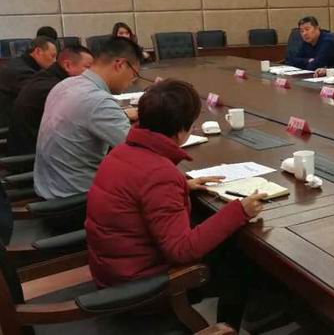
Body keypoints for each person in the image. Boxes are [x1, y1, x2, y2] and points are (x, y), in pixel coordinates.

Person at [85, 79, 266, 327]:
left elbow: (138, 191)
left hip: (113, 270)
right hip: (141, 291)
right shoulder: (160, 174)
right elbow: (181, 250)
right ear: (181, 130)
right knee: (238, 261)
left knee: (214, 231)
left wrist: (182, 185)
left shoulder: (121, 151)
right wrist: (240, 211)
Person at [34, 37, 141, 201]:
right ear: (120, 64)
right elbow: (140, 154)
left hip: (49, 188)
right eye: (134, 75)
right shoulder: (99, 101)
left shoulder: (65, 84)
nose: (132, 82)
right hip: (76, 199)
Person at [8, 45, 94, 155]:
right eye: (87, 67)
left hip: (39, 146)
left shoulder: (47, 77)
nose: (92, 74)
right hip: (35, 154)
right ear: (67, 65)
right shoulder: (55, 88)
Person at [0, 36, 57, 131]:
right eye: (52, 56)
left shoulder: (20, 62)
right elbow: (43, 97)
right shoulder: (22, 71)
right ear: (38, 51)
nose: (55, 61)